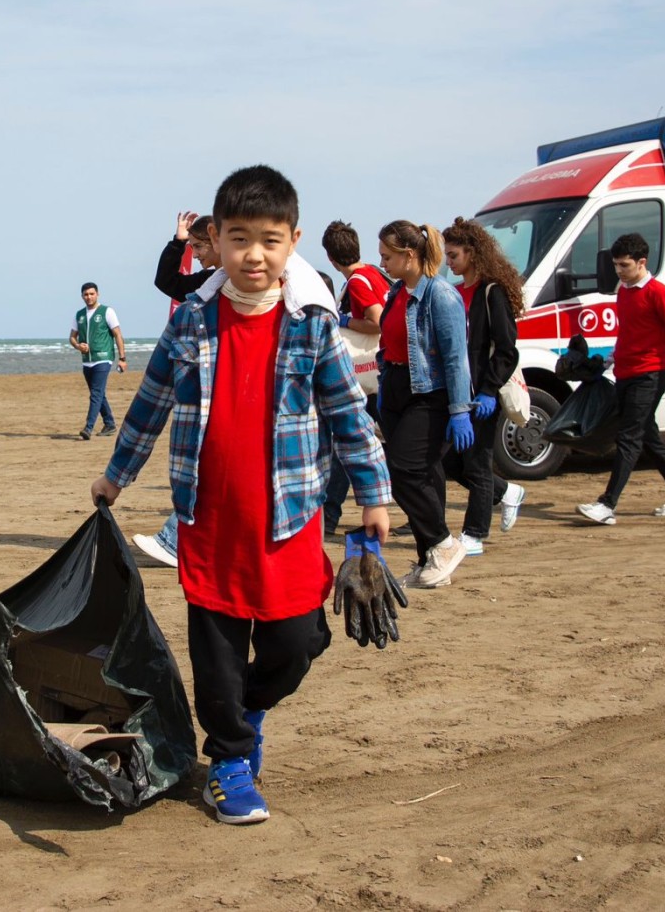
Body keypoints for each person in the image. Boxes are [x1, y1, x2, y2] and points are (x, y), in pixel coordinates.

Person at [91, 165, 391, 825]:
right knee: (216, 652)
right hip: (209, 525)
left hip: (288, 523)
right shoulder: (193, 320)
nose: (253, 254)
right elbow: (152, 402)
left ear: (293, 242)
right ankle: (227, 761)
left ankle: (251, 712)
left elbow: (348, 414)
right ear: (215, 242)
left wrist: (374, 496)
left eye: (269, 239)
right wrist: (118, 474)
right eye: (238, 238)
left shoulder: (312, 325)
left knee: (294, 645)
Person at [577, 233, 665, 525]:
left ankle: (607, 505)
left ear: (642, 262)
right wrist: (607, 361)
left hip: (649, 376)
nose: (618, 271)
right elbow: (628, 335)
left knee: (628, 438)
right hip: (625, 375)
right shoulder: (623, 291)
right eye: (615, 265)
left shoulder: (659, 293)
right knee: (648, 437)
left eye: (624, 265)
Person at [375, 219, 474, 589]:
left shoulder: (440, 295)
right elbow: (391, 344)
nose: (382, 262)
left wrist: (460, 410)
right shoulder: (397, 292)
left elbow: (455, 358)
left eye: (387, 256)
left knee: (401, 469)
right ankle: (428, 560)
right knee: (427, 475)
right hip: (397, 390)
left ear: (409, 254)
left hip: (429, 395)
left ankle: (443, 543)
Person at [134, 213, 223, 567]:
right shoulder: (211, 281)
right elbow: (167, 281)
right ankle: (181, 539)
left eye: (199, 246)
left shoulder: (234, 280)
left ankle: (175, 540)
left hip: (223, 385)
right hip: (213, 385)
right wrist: (179, 241)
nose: (196, 254)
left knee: (208, 465)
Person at [441, 217, 528, 555]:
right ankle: (507, 492)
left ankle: (474, 534)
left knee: (478, 464)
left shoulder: (491, 292)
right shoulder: (453, 292)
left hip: (481, 392)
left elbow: (507, 349)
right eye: (446, 256)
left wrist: (490, 389)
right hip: (456, 391)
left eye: (454, 254)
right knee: (449, 463)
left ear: (473, 253)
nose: (449, 261)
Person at [320, 220, 389, 534]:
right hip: (380, 371)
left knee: (347, 443)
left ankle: (329, 517)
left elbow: (376, 322)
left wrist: (344, 318)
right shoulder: (375, 272)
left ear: (332, 260)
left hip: (369, 373)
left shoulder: (358, 282)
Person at [69, 282, 128, 440]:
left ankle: (88, 428)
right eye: (86, 294)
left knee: (95, 394)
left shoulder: (107, 312)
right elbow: (72, 338)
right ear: (82, 296)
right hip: (86, 361)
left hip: (103, 359)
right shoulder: (79, 315)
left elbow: (117, 335)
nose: (89, 297)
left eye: (91, 294)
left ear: (97, 294)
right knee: (98, 394)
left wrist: (122, 358)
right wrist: (78, 346)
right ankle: (109, 424)